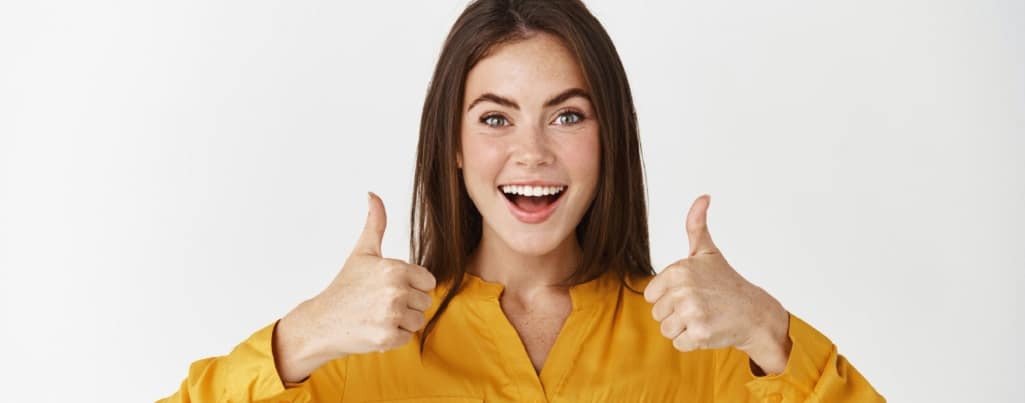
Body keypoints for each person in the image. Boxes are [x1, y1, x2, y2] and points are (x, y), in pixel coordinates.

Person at [159, 0, 884, 401]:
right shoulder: (358, 351)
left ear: (610, 141)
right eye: (495, 118)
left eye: (567, 115)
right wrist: (301, 335)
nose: (531, 152)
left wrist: (767, 328)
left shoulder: (701, 346)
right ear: (452, 142)